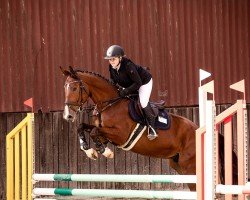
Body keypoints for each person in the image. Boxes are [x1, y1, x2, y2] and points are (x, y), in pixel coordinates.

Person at [104, 45, 158, 140]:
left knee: (143, 102)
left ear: (120, 58)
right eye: (109, 59)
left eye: (113, 59)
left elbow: (138, 83)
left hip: (143, 82)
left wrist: (125, 91)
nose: (111, 61)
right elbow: (113, 80)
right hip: (129, 83)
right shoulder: (111, 67)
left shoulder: (128, 66)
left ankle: (152, 128)